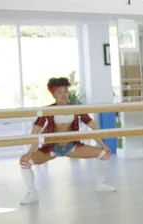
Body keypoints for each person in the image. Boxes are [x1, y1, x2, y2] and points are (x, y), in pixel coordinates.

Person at [19, 77, 116, 205]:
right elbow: (35, 133)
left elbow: (92, 127)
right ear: (53, 95)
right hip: (51, 149)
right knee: (24, 162)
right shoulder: (47, 111)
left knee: (105, 154)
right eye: (59, 92)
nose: (63, 95)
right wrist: (30, 152)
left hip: (72, 147)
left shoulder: (75, 109)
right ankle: (32, 193)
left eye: (65, 91)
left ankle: (101, 183)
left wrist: (103, 145)